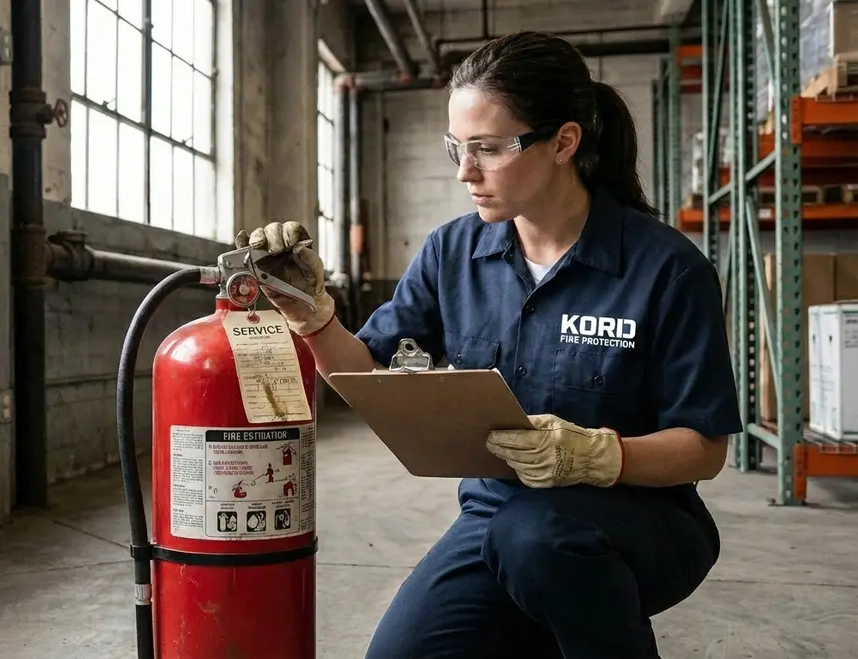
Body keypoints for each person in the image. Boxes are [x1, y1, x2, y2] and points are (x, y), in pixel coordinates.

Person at [235, 30, 741, 659]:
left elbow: (703, 448)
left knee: (537, 543)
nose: (463, 172)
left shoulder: (667, 269)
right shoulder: (454, 252)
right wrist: (314, 319)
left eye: (488, 149)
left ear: (563, 142)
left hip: (640, 518)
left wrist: (595, 456)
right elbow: (365, 373)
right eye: (456, 147)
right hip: (496, 514)